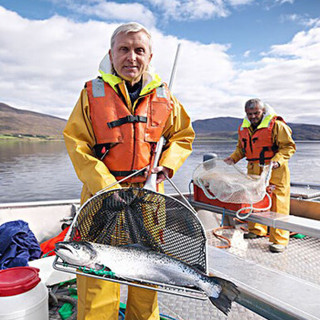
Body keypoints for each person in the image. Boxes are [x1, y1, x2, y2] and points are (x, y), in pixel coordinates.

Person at [63, 22, 195, 320]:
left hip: (149, 199)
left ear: (150, 56)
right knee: (96, 277)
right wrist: (106, 186)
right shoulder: (91, 94)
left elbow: (183, 136)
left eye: (139, 50)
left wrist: (168, 163)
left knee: (147, 276)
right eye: (124, 49)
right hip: (101, 199)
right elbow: (76, 143)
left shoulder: (167, 97)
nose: (131, 57)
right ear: (111, 53)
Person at [224, 98, 296, 253]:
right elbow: (241, 149)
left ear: (263, 111)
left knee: (278, 202)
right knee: (254, 199)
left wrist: (277, 161)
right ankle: (257, 230)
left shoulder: (277, 125)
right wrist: (233, 158)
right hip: (253, 169)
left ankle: (279, 240)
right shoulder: (243, 128)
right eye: (249, 114)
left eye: (256, 113)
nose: (253, 116)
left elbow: (288, 147)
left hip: (275, 169)